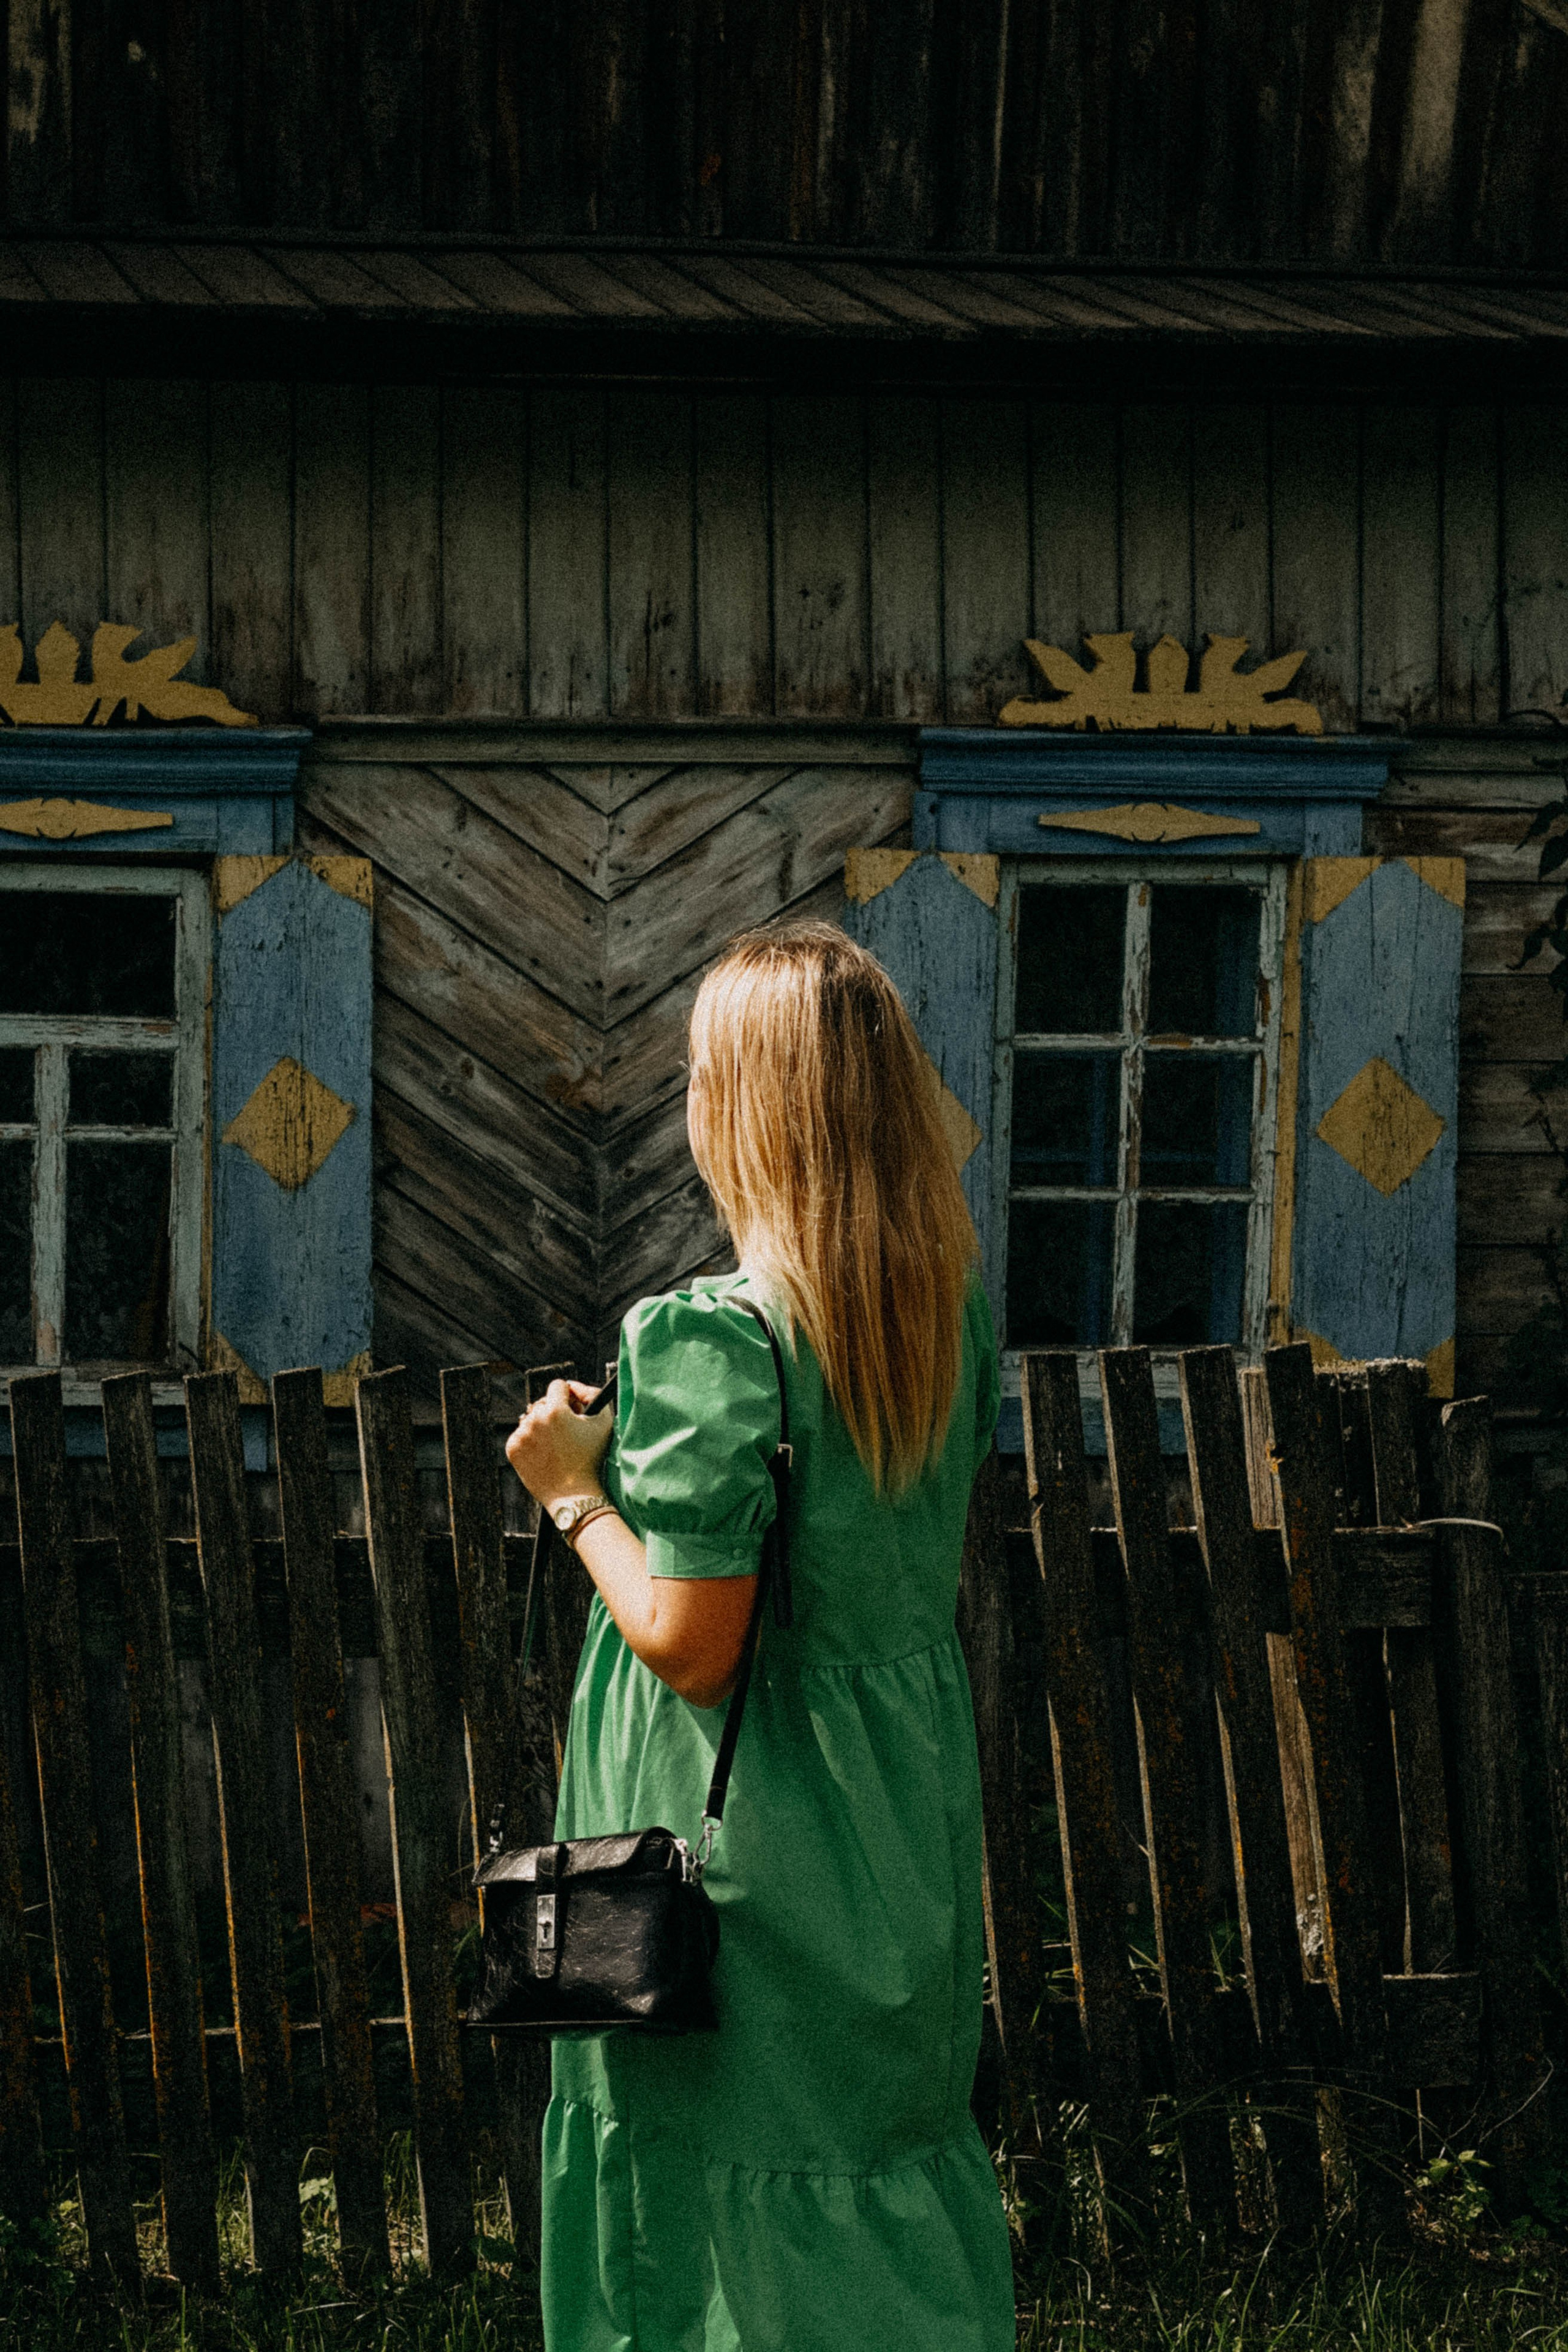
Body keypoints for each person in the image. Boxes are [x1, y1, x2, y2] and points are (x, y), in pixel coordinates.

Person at [505, 919, 1015, 2352]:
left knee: (711, 2167)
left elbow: (690, 1645)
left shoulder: (713, 1340)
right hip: (894, 1812)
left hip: (734, 1826)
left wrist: (572, 1499)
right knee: (867, 2147)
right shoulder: (940, 1317)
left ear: (740, 1105)